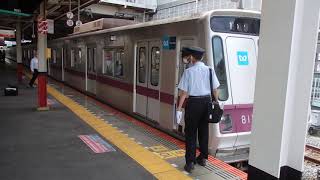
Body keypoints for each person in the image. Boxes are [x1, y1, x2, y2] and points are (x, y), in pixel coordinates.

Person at [176, 46, 220, 173]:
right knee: (204, 131)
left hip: (193, 103)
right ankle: (202, 158)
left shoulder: (188, 72)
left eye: (188, 57)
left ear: (191, 58)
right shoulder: (210, 70)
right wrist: (216, 102)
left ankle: (190, 163)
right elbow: (215, 89)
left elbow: (184, 93)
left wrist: (179, 109)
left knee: (190, 133)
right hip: (206, 103)